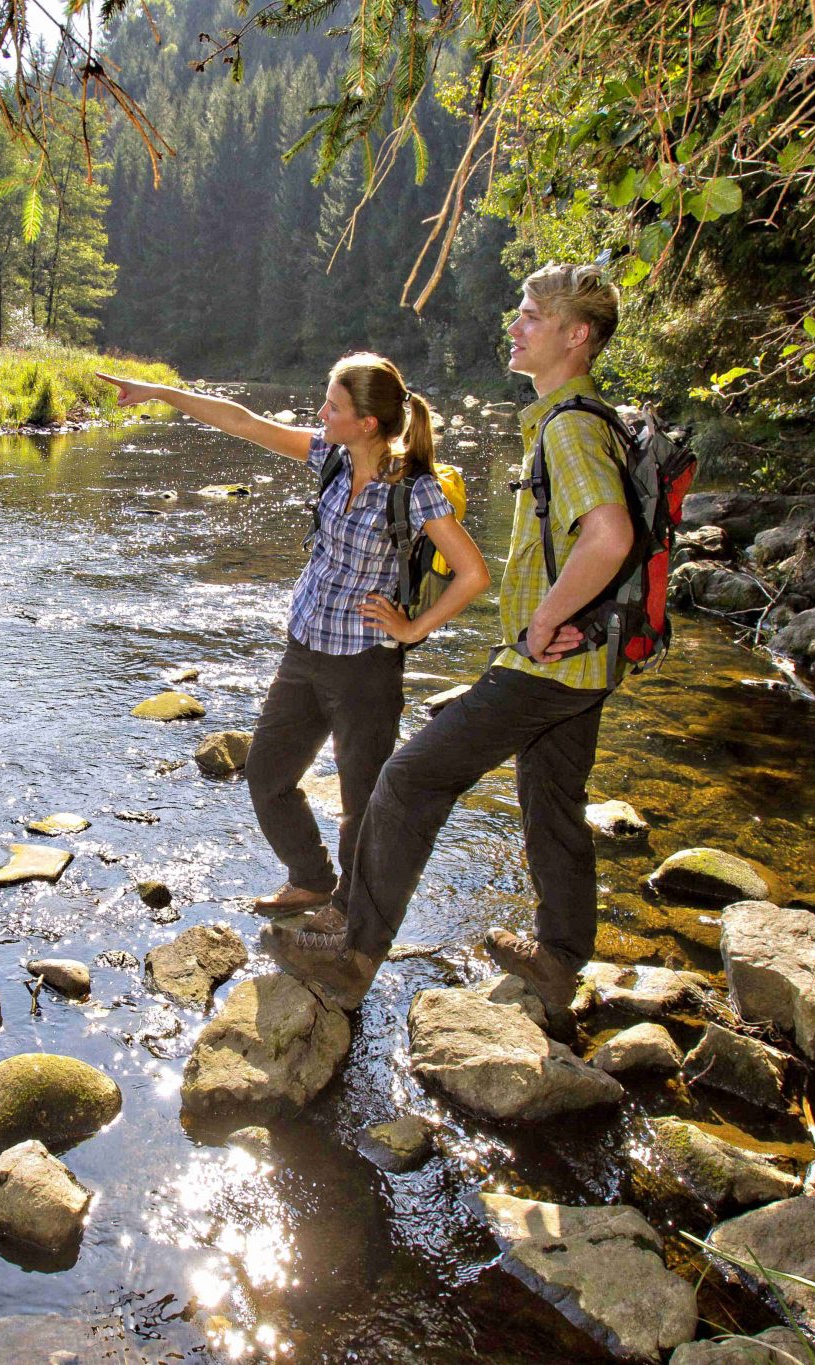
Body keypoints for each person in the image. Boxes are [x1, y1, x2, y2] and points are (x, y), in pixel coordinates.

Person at [264, 264, 637, 1011]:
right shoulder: (591, 416)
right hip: (595, 657)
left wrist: (543, 620)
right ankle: (561, 957)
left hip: (548, 662)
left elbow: (610, 536)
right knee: (552, 798)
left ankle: (357, 952)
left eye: (531, 316)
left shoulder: (568, 428)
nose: (514, 324)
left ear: (577, 335)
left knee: (409, 781)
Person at [97, 357, 489, 922]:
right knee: (267, 775)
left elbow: (473, 573)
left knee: (362, 799)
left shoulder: (415, 490)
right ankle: (311, 878)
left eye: (333, 406)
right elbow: (243, 422)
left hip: (364, 666)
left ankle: (353, 916)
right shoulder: (330, 458)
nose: (321, 413)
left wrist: (411, 628)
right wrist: (160, 392)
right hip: (305, 647)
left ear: (369, 424)